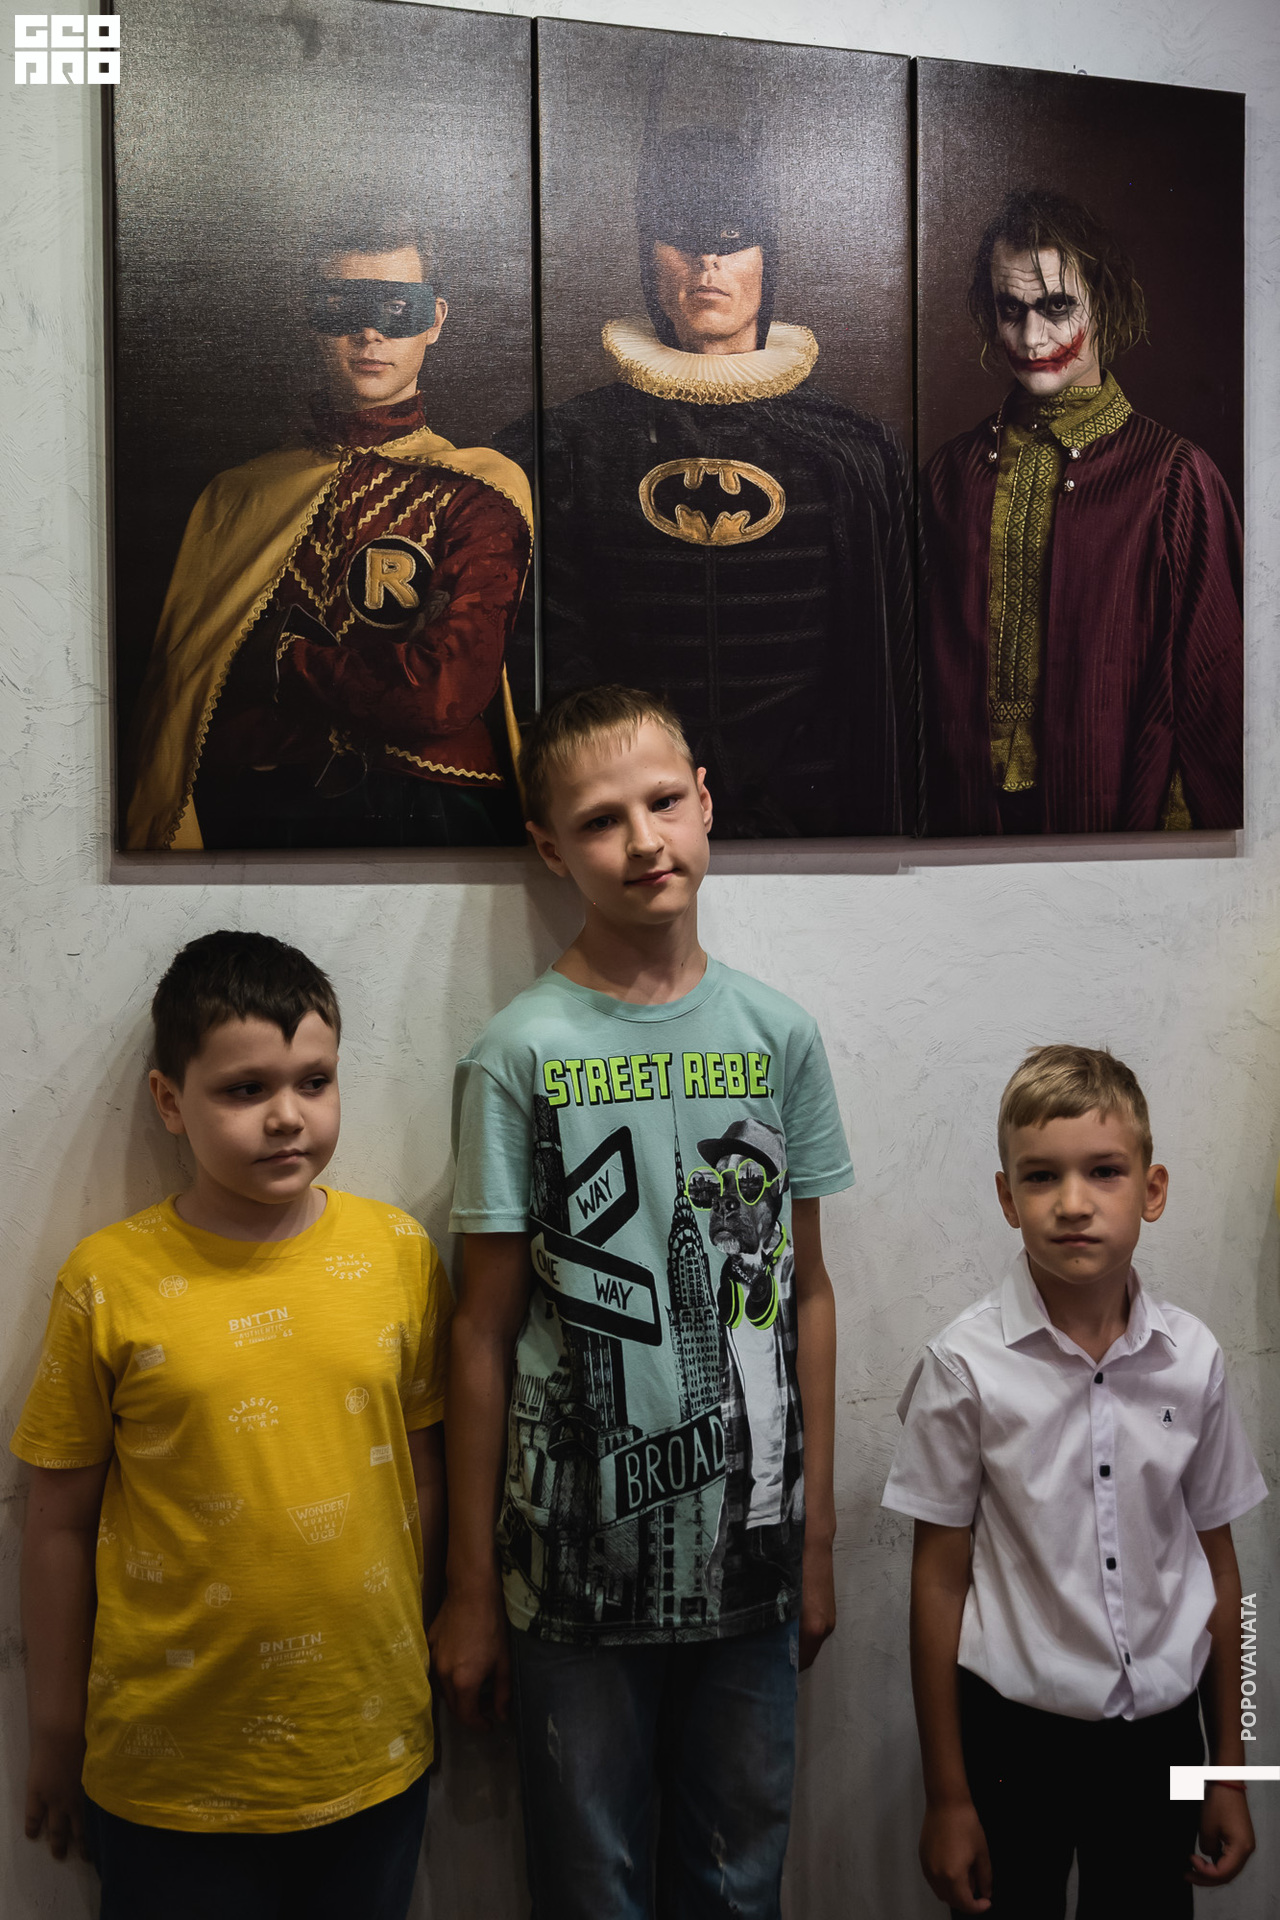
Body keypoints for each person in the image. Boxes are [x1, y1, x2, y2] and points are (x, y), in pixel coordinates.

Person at [430, 684, 852, 1916]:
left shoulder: (777, 1035)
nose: (643, 840)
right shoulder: (518, 1054)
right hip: (567, 1580)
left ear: (705, 802)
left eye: (663, 801)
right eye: (600, 821)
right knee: (590, 1887)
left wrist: (815, 1540)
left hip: (753, 1562)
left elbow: (805, 1294)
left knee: (738, 1881)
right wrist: (470, 1587)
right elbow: (480, 1333)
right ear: (548, 849)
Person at [13, 930, 451, 1920]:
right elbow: (57, 1524)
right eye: (245, 1089)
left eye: (314, 1082)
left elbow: (424, 1476)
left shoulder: (398, 1254)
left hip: (367, 1750)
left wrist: (421, 1646)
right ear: (170, 1101)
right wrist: (53, 1730)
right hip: (169, 1769)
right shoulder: (108, 1281)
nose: (287, 1116)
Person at [883, 1045, 1265, 1916]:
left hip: (1165, 1739)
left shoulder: (1194, 1359)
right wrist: (947, 1797)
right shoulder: (964, 1365)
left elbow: (1226, 1579)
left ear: (1152, 1190)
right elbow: (937, 1581)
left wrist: (1234, 1772)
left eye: (1104, 1171)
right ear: (1006, 1197)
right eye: (1041, 1176)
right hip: (1012, 1741)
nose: (1073, 1202)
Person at [495, 126, 918, 839]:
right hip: (630, 817)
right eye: (684, 239)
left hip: (811, 822)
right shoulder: (563, 449)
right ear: (649, 257)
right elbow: (554, 661)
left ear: (767, 258)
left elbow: (872, 674)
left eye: (733, 239)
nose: (708, 262)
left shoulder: (854, 455)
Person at [124, 216, 532, 851]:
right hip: (250, 811)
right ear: (308, 317)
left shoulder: (480, 488)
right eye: (342, 306)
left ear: (435, 319)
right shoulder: (237, 497)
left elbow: (443, 694)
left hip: (430, 813)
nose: (369, 332)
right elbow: (182, 695)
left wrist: (277, 661)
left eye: (397, 307)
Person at [920, 189, 1243, 836]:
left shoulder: (1173, 476)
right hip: (965, 819)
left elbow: (1214, 691)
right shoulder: (950, 473)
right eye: (1011, 310)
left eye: (1057, 307)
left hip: (1117, 813)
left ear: (1105, 302)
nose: (1031, 337)